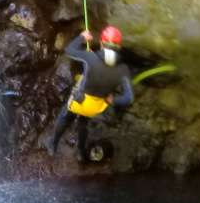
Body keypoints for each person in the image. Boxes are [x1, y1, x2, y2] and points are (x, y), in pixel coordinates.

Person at [44, 25, 133, 161]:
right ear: (119, 47)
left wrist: (82, 37)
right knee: (83, 122)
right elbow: (128, 98)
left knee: (65, 116)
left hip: (80, 102)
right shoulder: (123, 69)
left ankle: (53, 144)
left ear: (102, 43)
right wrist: (112, 100)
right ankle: (80, 152)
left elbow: (70, 50)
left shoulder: (90, 57)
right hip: (96, 108)